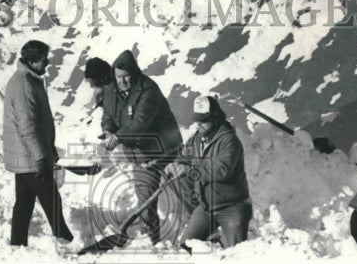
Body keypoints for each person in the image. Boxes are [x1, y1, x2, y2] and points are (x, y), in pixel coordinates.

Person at [101, 49, 182, 243]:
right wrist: (108, 131)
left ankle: (195, 231)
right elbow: (108, 115)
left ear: (135, 73)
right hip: (140, 153)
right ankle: (151, 238)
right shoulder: (112, 89)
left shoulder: (148, 91)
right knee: (146, 198)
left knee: (173, 194)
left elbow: (140, 123)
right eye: (118, 76)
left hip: (164, 150)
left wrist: (118, 138)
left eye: (126, 76)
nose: (122, 81)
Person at [2, 39, 74, 247]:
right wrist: (42, 157)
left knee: (24, 203)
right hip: (31, 157)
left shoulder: (27, 80)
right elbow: (27, 127)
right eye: (44, 59)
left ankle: (17, 245)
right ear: (32, 60)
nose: (48, 63)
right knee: (52, 201)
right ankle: (67, 242)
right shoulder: (24, 85)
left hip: (25, 156)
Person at [174, 95, 252, 249]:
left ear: (215, 118)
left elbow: (221, 170)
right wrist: (176, 165)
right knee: (185, 247)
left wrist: (190, 171)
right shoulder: (196, 139)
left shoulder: (229, 141)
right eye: (197, 120)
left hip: (231, 207)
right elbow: (183, 157)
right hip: (206, 207)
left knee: (238, 253)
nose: (199, 124)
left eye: (204, 120)